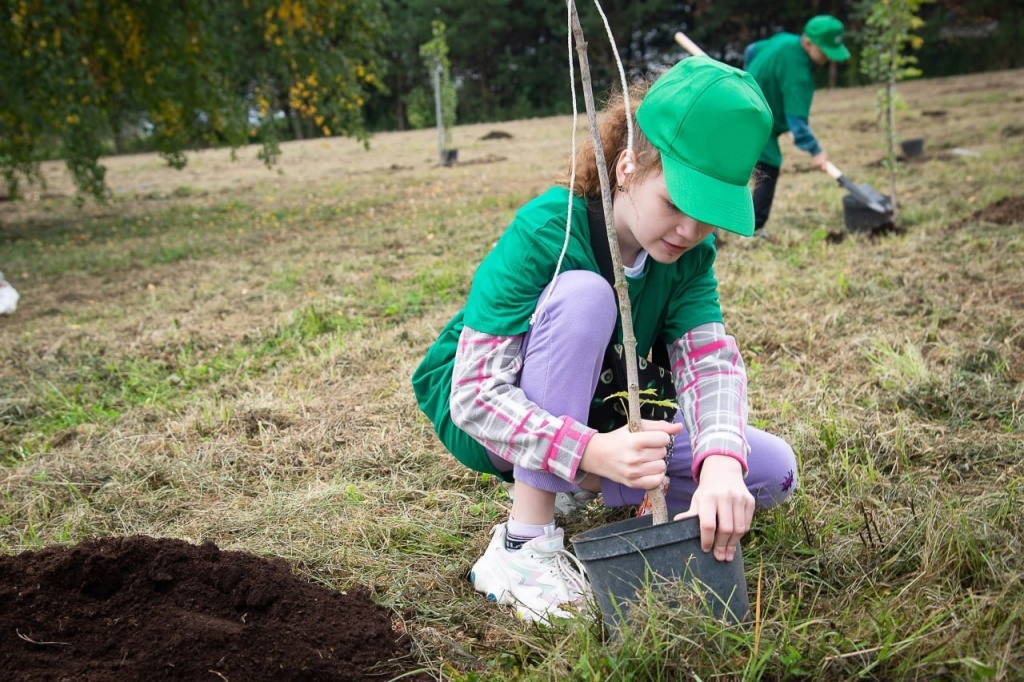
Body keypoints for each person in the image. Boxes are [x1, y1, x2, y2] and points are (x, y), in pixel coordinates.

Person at [411, 56, 798, 625]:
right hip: (494, 413)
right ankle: (523, 543)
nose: (690, 232)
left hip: (604, 416)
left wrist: (719, 465)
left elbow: (709, 363)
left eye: (709, 214)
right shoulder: (550, 229)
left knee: (768, 469)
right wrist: (590, 448)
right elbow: (473, 395)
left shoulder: (691, 258)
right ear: (628, 167)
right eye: (676, 203)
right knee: (587, 297)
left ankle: (579, 477)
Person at [743, 15, 852, 236]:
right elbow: (797, 120)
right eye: (825, 51)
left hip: (748, 103)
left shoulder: (785, 40)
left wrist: (748, 73)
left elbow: (752, 50)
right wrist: (816, 151)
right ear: (808, 42)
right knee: (768, 166)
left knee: (746, 165)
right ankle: (754, 228)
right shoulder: (798, 72)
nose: (828, 58)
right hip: (755, 116)